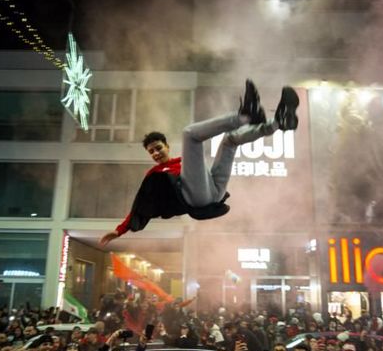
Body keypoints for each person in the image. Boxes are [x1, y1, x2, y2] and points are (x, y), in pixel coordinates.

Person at [100, 79, 299, 246]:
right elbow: (140, 205)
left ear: (167, 147)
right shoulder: (155, 174)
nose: (156, 153)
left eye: (158, 148)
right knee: (190, 134)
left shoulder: (182, 162)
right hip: (197, 199)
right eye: (151, 151)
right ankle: (245, 116)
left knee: (229, 141)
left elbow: (199, 169)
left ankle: (277, 123)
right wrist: (119, 231)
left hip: (215, 192)